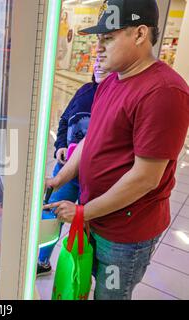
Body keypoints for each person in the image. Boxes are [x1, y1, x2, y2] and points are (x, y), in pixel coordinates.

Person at [44, 0, 189, 300]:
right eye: (98, 39)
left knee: (111, 295)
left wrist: (82, 211)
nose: (99, 47)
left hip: (126, 235)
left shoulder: (164, 93)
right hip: (95, 217)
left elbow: (145, 178)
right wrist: (60, 178)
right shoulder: (112, 81)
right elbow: (90, 139)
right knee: (85, 282)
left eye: (108, 38)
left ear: (139, 34)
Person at [37, 58, 110, 276]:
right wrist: (60, 146)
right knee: (52, 215)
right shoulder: (84, 91)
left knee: (90, 225)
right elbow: (64, 121)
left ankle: (83, 270)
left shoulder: (116, 99)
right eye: (96, 61)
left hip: (97, 177)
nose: (98, 64)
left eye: (104, 61)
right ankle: (42, 261)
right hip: (66, 170)